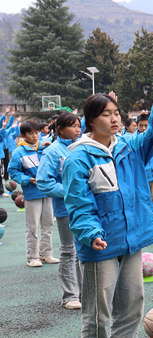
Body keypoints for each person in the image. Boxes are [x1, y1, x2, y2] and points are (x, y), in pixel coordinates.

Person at [63, 69, 153, 338]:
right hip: (100, 245)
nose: (114, 119)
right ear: (90, 120)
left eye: (116, 113)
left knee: (132, 304)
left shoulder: (131, 148)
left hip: (132, 240)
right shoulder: (79, 158)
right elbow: (78, 203)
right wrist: (90, 233)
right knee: (98, 313)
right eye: (105, 114)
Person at [36, 113, 82, 309]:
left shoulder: (81, 146)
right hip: (66, 209)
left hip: (87, 207)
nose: (77, 129)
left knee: (84, 251)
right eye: (73, 126)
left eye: (79, 125)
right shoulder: (53, 151)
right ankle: (70, 296)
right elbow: (43, 181)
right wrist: (70, 192)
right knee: (69, 250)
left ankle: (84, 292)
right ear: (60, 129)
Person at [9, 121, 56, 267]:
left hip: (48, 191)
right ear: (23, 135)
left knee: (48, 224)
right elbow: (13, 171)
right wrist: (28, 179)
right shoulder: (19, 152)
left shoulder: (44, 146)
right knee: (33, 226)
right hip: (32, 193)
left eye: (36, 132)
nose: (35, 136)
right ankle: (32, 257)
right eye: (31, 133)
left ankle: (46, 254)